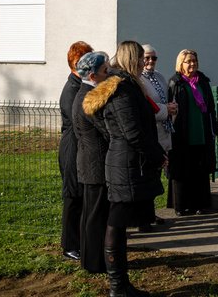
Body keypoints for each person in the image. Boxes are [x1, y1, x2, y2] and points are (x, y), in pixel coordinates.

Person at [83, 41, 165, 297]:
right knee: (116, 223)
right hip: (125, 164)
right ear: (132, 59)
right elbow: (132, 132)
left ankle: (120, 284)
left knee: (117, 223)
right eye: (141, 59)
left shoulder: (124, 86)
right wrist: (156, 155)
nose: (145, 63)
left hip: (125, 161)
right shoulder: (122, 89)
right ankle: (118, 286)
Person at [72, 50, 111, 273]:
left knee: (91, 214)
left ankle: (90, 260)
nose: (109, 74)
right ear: (93, 75)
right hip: (95, 164)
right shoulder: (89, 98)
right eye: (105, 71)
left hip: (89, 161)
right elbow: (105, 131)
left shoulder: (84, 93)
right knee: (96, 215)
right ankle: (95, 263)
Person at [167, 49, 218, 216]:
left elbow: (210, 107)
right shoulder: (176, 83)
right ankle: (182, 205)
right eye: (188, 61)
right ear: (180, 64)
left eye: (194, 61)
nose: (192, 64)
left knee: (200, 169)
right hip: (182, 133)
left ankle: (201, 204)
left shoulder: (202, 82)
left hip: (201, 131)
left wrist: (214, 127)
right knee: (183, 169)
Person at [58, 40, 93, 261]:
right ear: (76, 63)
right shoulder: (72, 89)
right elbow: (79, 120)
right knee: (73, 196)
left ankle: (82, 240)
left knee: (82, 196)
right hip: (72, 147)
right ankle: (69, 245)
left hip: (82, 146)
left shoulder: (81, 85)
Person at [139, 44, 177, 231]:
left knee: (156, 177)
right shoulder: (138, 79)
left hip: (164, 131)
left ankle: (150, 212)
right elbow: (145, 109)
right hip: (150, 132)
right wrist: (165, 110)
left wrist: (172, 108)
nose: (150, 61)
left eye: (153, 58)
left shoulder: (160, 77)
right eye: (147, 58)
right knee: (148, 177)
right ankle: (144, 216)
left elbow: (164, 100)